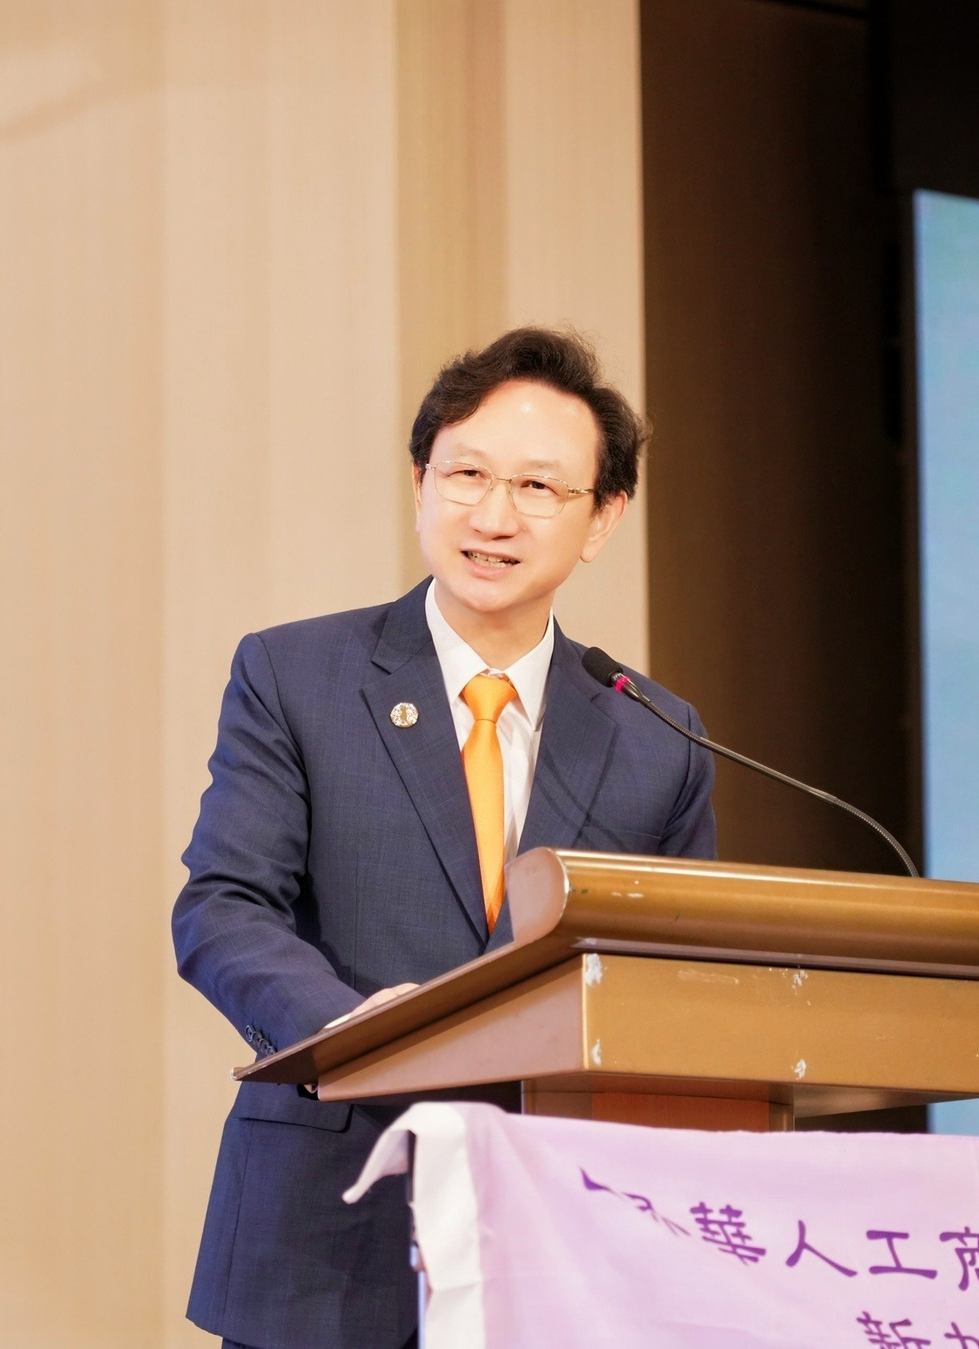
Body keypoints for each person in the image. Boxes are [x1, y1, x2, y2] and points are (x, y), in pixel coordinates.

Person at [173, 326, 717, 1349]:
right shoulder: (296, 676)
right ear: (420, 482)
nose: (493, 515)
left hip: (563, 1241)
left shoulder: (654, 735)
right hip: (327, 1230)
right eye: (466, 473)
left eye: (538, 487)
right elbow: (222, 910)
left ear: (602, 518)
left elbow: (682, 985)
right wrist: (354, 1029)